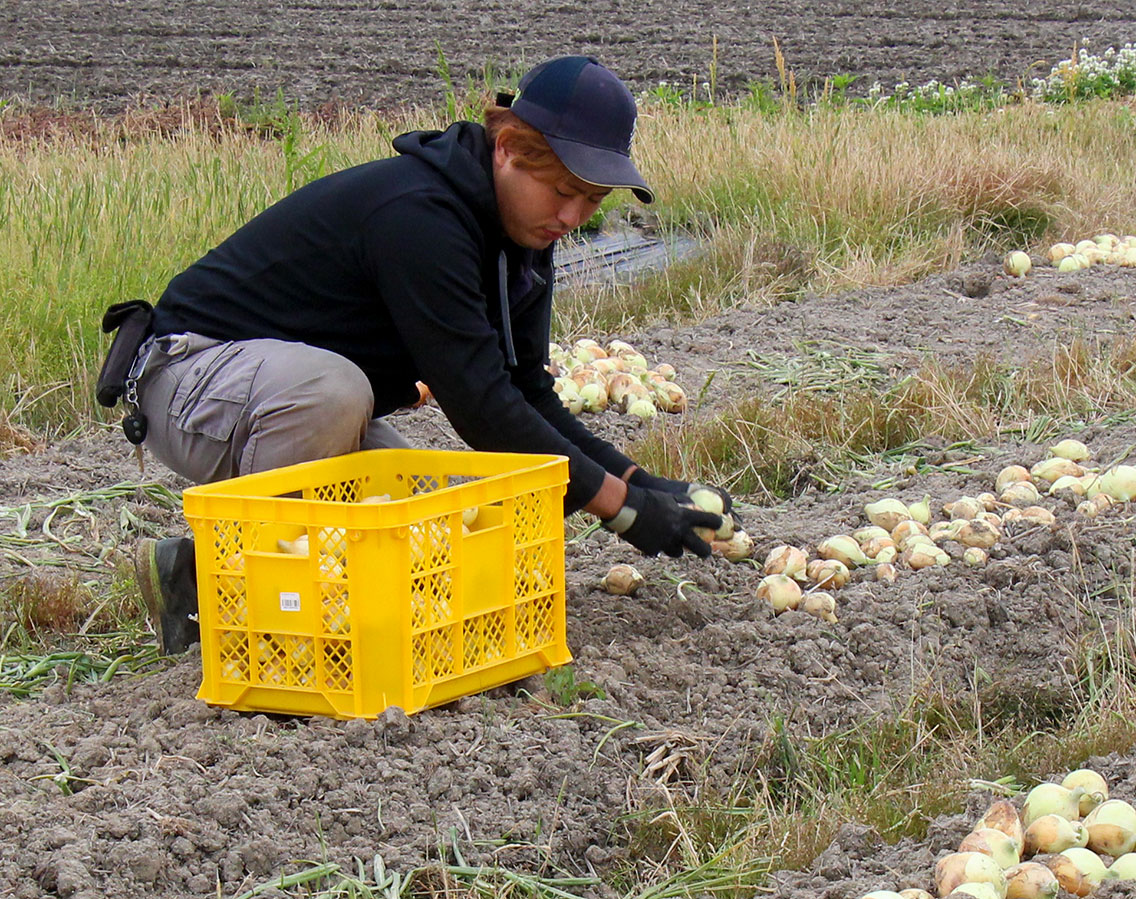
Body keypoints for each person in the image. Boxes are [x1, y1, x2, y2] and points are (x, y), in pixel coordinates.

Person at [118, 56, 733, 655]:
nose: (572, 217)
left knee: (423, 525)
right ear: (509, 147)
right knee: (333, 391)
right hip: (189, 382)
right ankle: (255, 609)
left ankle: (189, 573)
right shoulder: (420, 216)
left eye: (593, 202)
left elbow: (525, 390)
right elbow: (480, 406)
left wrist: (638, 482)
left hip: (278, 400)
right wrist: (621, 511)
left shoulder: (523, 236)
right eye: (564, 191)